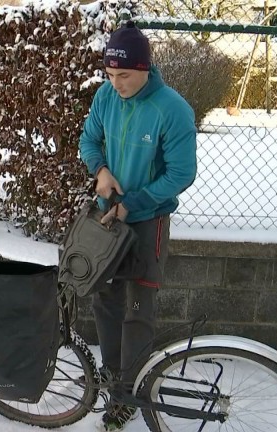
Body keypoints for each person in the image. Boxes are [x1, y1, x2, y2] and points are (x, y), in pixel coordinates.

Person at [79, 21, 197, 431]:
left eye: (124, 75)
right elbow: (88, 140)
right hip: (106, 220)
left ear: (145, 67)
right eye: (110, 75)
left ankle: (130, 392)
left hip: (147, 222)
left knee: (136, 310)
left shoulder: (172, 109)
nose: (116, 84)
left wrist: (135, 203)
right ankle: (112, 377)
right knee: (105, 301)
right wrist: (101, 171)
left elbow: (181, 173)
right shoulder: (105, 97)